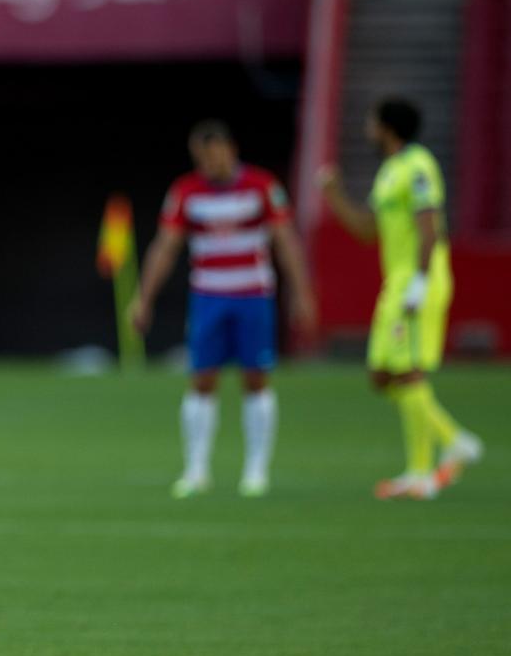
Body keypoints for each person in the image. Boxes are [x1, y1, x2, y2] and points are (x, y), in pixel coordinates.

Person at [129, 120, 316, 498]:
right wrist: (143, 297)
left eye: (214, 155)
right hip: (208, 296)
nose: (209, 164)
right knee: (201, 380)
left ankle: (256, 471)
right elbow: (165, 247)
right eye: (201, 157)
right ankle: (196, 470)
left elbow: (285, 242)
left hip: (253, 294)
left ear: (231, 150)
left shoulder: (262, 186)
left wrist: (302, 293)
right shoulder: (186, 192)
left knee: (256, 378)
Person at [319, 98, 483, 499]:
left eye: (372, 123)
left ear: (388, 128)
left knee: (408, 372)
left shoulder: (418, 167)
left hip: (418, 281)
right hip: (397, 282)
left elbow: (429, 228)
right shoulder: (390, 172)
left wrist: (420, 284)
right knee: (382, 375)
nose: (367, 129)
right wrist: (335, 194)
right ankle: (448, 443)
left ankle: (423, 471)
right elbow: (366, 230)